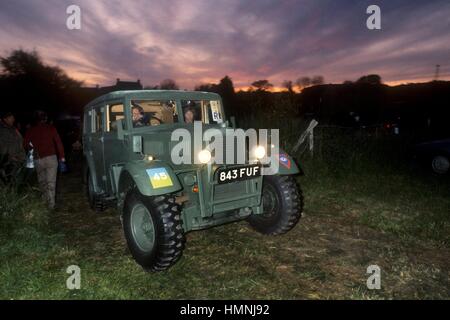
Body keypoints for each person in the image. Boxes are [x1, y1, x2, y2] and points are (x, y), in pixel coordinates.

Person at [24, 111, 65, 209]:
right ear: (45, 119)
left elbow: (25, 144)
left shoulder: (31, 130)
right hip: (51, 158)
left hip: (38, 159)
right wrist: (62, 157)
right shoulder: (51, 128)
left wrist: (32, 148)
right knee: (51, 182)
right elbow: (58, 142)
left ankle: (44, 203)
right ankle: (51, 205)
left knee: (42, 181)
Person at [0, 111, 26, 183]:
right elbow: (3, 146)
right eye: (11, 118)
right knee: (9, 182)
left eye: (13, 117)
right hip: (9, 161)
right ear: (5, 119)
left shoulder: (13, 129)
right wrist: (9, 157)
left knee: (17, 182)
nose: (13, 119)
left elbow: (21, 142)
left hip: (19, 160)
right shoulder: (2, 130)